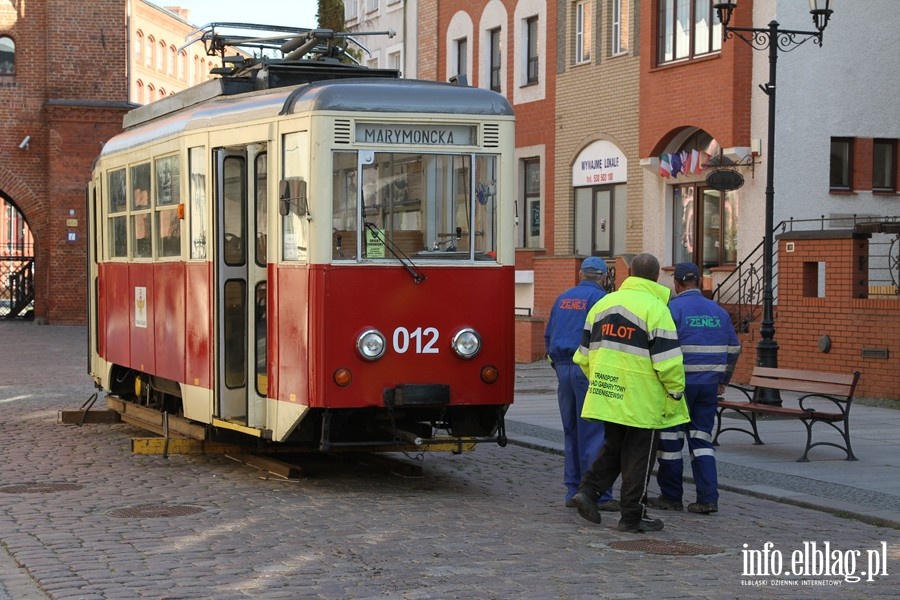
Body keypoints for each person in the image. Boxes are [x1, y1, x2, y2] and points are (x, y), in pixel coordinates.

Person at [571, 253, 689, 533]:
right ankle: (632, 516)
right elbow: (668, 361)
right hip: (642, 400)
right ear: (657, 276)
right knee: (639, 457)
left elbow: (584, 355)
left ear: (629, 273)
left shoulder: (603, 304)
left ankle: (588, 492)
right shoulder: (656, 309)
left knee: (614, 447)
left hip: (608, 393)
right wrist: (675, 391)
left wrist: (602, 381)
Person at [648, 262, 742, 515]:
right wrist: (723, 380)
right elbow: (734, 348)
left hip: (678, 386)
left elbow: (660, 348)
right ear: (699, 282)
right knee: (701, 440)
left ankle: (671, 496)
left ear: (677, 284)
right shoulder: (718, 311)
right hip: (709, 386)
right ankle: (708, 498)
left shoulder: (671, 310)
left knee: (671, 441)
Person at [544, 256, 617, 511]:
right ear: (604, 277)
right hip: (587, 368)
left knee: (571, 430)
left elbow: (549, 334)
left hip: (563, 366)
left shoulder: (562, 298)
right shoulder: (601, 300)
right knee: (594, 431)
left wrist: (557, 363)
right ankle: (597, 493)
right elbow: (604, 338)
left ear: (580, 274)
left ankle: (573, 488)